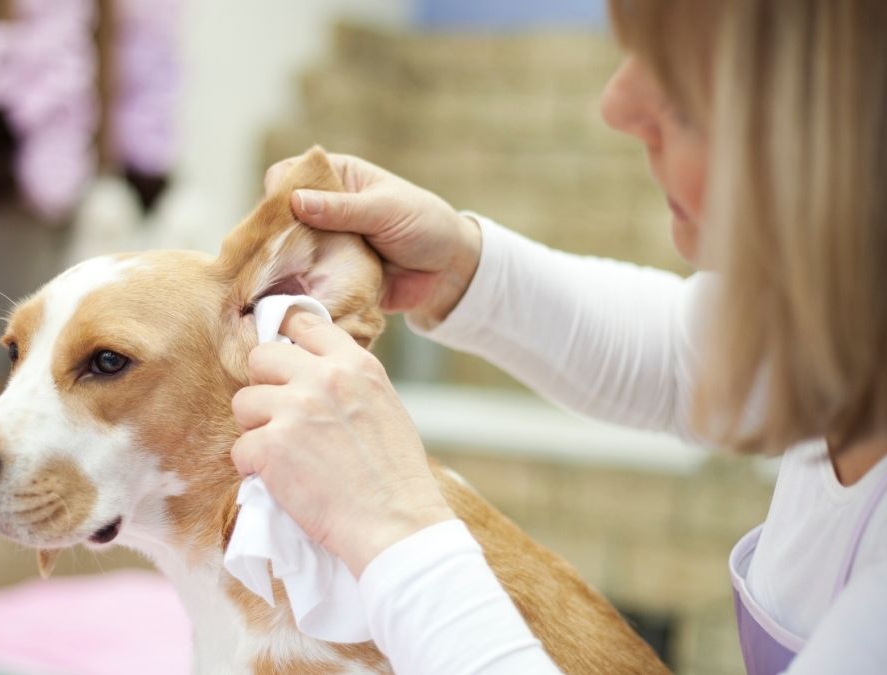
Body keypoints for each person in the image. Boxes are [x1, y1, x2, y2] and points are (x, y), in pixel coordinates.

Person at [229, 0, 887, 672]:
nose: (617, 104)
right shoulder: (851, 333)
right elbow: (678, 354)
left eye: (685, 91)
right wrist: (461, 265)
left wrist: (391, 525)